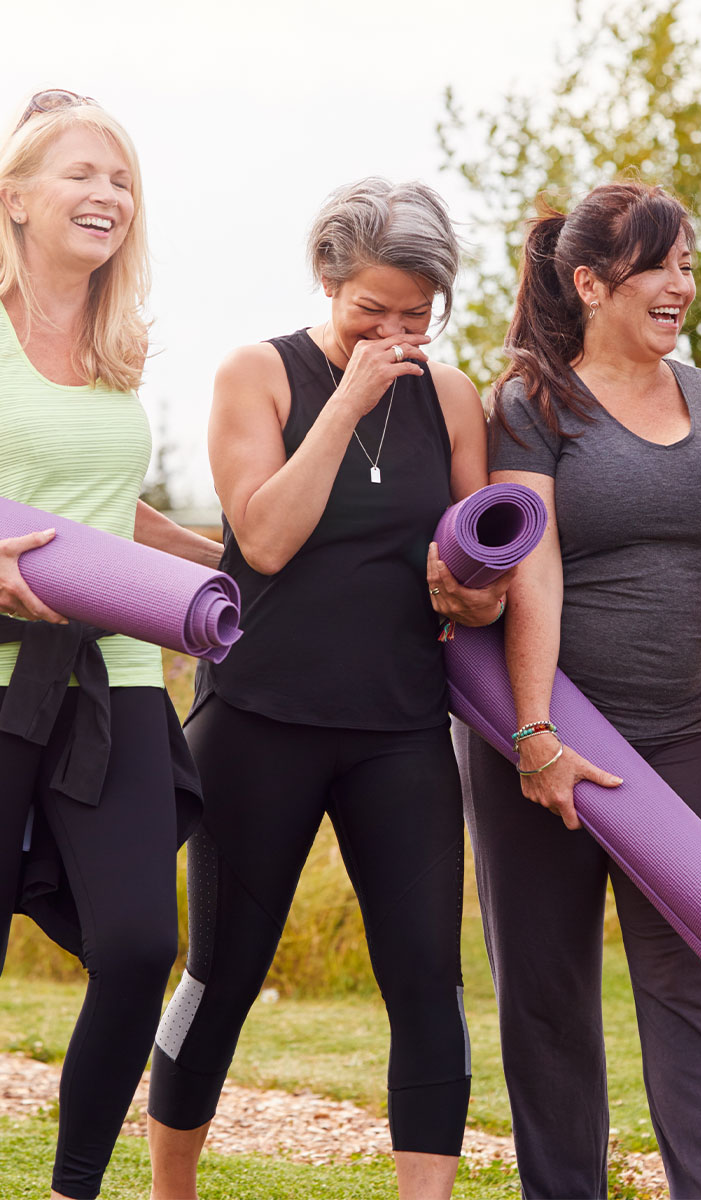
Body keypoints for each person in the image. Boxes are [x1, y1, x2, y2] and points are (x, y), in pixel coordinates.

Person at [146, 177, 509, 1200]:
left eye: (416, 317)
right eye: (371, 314)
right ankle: (172, 1189)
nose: (395, 335)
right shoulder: (256, 375)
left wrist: (473, 593)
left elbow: (476, 565)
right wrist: (348, 397)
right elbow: (261, 537)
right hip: (259, 717)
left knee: (428, 989)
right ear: (328, 280)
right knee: (219, 979)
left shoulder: (450, 396)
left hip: (399, 729)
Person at [456, 180, 701, 1200]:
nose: (682, 287)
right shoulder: (532, 400)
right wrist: (532, 733)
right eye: (661, 265)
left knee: (688, 983)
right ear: (589, 281)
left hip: (685, 737)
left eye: (691, 267)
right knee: (548, 998)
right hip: (553, 734)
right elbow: (534, 564)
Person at [0, 89, 221, 1200]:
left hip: (114, 674)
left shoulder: (113, 347)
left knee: (138, 947)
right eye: (83, 174)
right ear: (16, 197)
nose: (106, 195)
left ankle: (73, 1188)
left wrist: (227, 562)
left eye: (122, 180)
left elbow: (105, 506)